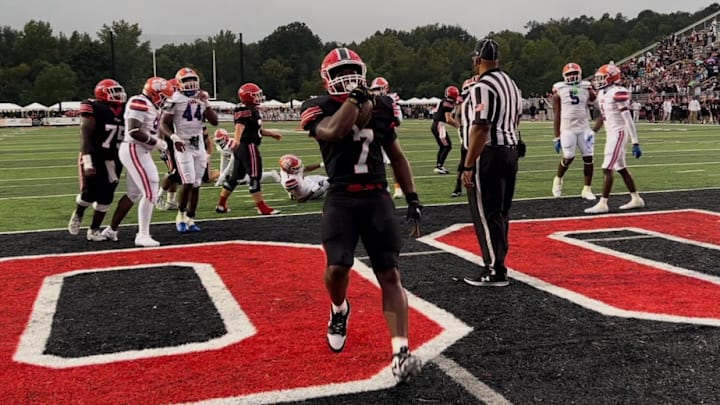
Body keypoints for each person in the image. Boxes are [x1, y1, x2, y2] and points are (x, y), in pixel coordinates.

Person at [299, 47, 423, 383]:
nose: (348, 77)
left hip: (377, 198)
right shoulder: (317, 106)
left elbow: (396, 156)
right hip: (341, 198)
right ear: (327, 79)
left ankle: (400, 351)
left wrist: (412, 197)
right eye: (340, 72)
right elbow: (333, 132)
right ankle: (339, 309)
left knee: (390, 274)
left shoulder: (383, 105)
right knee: (337, 267)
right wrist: (354, 102)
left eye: (352, 70)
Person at [461, 38, 523, 287]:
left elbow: (481, 127)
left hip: (489, 154)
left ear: (477, 59)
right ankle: (499, 261)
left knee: (487, 213)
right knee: (501, 211)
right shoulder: (511, 83)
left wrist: (467, 163)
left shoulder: (482, 86)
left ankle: (495, 268)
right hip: (510, 150)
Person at [117, 77, 174, 247]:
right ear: (154, 92)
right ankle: (142, 234)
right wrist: (157, 142)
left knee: (135, 192)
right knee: (151, 189)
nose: (165, 100)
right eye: (163, 96)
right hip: (134, 148)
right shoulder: (139, 102)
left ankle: (111, 230)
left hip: (139, 150)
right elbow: (134, 130)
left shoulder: (150, 105)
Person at [67, 79, 127, 241]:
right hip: (94, 155)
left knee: (107, 196)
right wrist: (87, 161)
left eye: (119, 90)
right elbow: (85, 135)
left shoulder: (125, 110)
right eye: (114, 91)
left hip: (114, 158)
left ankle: (94, 230)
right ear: (102, 93)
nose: (119, 95)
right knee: (89, 193)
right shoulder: (94, 106)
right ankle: (78, 214)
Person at [160, 67, 219, 232]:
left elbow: (214, 122)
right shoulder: (174, 99)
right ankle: (180, 216)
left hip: (198, 143)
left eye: (192, 79)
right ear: (179, 82)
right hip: (182, 143)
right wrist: (174, 137)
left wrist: (206, 104)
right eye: (186, 80)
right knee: (187, 181)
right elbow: (164, 124)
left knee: (197, 184)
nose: (190, 83)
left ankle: (191, 218)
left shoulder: (202, 97)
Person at [584, 64, 645, 214]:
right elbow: (603, 116)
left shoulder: (618, 92)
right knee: (621, 168)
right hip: (611, 133)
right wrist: (593, 132)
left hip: (619, 133)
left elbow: (627, 118)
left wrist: (635, 141)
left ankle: (603, 203)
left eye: (601, 78)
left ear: (611, 77)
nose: (598, 81)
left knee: (607, 167)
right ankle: (636, 198)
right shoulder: (603, 93)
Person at [215, 82, 282, 215]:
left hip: (243, 147)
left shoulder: (250, 110)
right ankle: (263, 208)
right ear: (248, 97)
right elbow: (239, 126)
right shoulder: (246, 110)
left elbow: (256, 130)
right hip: (248, 146)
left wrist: (272, 134)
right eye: (256, 95)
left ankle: (221, 205)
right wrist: (238, 140)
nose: (259, 97)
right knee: (255, 176)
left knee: (235, 178)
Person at [550, 62, 597, 201]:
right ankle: (558, 179)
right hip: (567, 128)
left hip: (584, 127)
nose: (572, 76)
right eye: (569, 74)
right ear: (564, 76)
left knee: (589, 158)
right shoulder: (559, 89)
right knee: (568, 157)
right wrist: (556, 136)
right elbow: (557, 114)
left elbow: (596, 101)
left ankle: (587, 189)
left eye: (574, 73)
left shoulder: (586, 87)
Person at [370, 76, 404, 199]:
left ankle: (398, 187)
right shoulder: (370, 100)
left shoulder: (391, 99)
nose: (376, 91)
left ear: (385, 88)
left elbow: (399, 119)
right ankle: (384, 187)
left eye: (378, 88)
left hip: (387, 135)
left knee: (393, 162)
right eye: (374, 89)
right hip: (373, 136)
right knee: (378, 162)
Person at [451, 76, 478, 198]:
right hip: (470, 136)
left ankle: (460, 187)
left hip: (473, 135)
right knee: (465, 161)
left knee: (466, 161)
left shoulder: (474, 100)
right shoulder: (465, 102)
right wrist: (460, 127)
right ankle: (458, 186)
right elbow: (457, 114)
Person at [430, 86, 459, 174]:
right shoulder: (448, 102)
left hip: (437, 124)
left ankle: (439, 165)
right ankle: (439, 166)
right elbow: (448, 119)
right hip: (439, 125)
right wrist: (459, 126)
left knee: (444, 146)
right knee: (447, 146)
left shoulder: (445, 101)